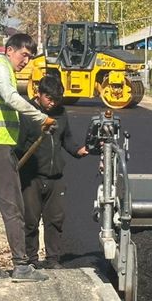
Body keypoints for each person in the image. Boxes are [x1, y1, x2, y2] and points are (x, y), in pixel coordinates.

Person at [0, 33, 54, 282]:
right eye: (23, 54)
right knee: (13, 206)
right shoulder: (0, 70)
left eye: (29, 56)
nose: (26, 61)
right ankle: (21, 265)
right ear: (9, 51)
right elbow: (11, 97)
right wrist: (41, 118)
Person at [16, 74, 89, 269]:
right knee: (30, 220)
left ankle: (52, 259)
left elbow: (67, 139)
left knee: (55, 220)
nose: (52, 103)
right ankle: (30, 260)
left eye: (57, 99)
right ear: (38, 93)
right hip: (31, 177)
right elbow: (18, 144)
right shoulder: (27, 112)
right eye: (49, 98)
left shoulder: (61, 113)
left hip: (55, 177)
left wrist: (78, 150)